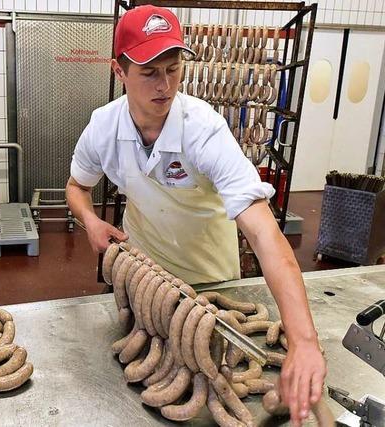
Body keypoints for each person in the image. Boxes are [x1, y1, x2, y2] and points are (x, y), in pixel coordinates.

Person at [66, 5, 325, 425]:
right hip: (145, 279)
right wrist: (91, 222)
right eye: (149, 72)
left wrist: (304, 340)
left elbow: (263, 234)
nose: (165, 85)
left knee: (215, 373)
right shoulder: (101, 128)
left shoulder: (204, 129)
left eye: (174, 68)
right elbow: (77, 188)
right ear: (119, 71)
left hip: (212, 277)